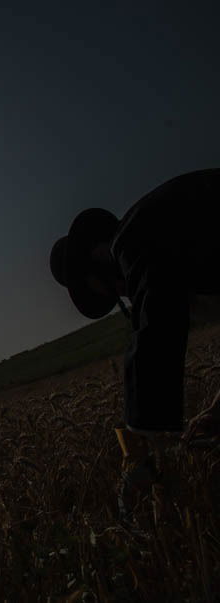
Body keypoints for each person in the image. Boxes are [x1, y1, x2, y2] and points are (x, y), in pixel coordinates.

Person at [49, 168, 220, 517]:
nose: (122, 293)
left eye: (106, 289)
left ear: (98, 256)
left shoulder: (134, 238)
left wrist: (144, 443)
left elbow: (157, 321)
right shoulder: (178, 239)